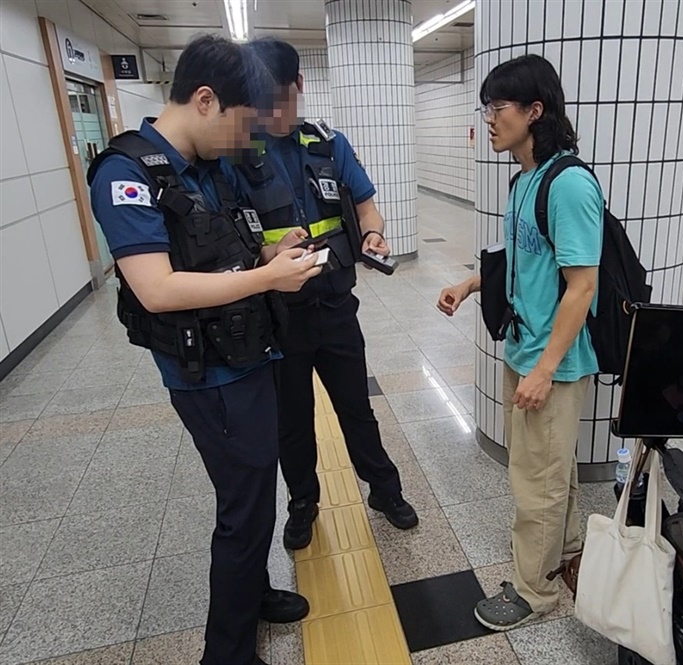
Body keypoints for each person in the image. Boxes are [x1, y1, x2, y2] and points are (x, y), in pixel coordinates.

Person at [87, 35, 318, 665]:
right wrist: (268, 278)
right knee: (243, 508)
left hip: (251, 349)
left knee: (255, 492)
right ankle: (227, 651)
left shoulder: (212, 168)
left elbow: (224, 250)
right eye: (244, 124)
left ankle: (254, 591)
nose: (248, 140)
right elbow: (157, 288)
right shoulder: (127, 173)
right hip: (209, 373)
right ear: (207, 100)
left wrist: (271, 254)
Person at [437, 54, 604, 631]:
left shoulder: (569, 184)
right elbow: (526, 263)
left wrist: (546, 368)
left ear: (535, 111)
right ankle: (570, 550)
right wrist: (470, 282)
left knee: (536, 481)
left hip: (551, 361)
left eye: (498, 107)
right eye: (486, 107)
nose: (489, 118)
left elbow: (583, 286)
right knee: (552, 468)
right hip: (525, 348)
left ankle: (535, 593)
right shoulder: (524, 179)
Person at [233, 38, 417, 551]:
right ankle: (303, 503)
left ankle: (384, 489)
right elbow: (233, 241)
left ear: (299, 86)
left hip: (336, 308)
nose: (273, 113)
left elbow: (365, 208)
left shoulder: (328, 143)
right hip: (279, 317)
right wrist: (268, 260)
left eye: (281, 99)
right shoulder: (238, 156)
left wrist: (375, 233)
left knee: (356, 407)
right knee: (292, 420)